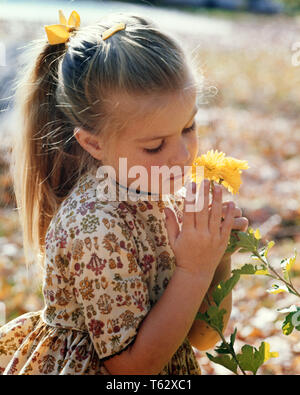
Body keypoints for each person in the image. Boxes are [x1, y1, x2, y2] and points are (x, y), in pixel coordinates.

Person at [0, 10, 248, 375]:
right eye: (154, 145)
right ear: (93, 143)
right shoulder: (94, 227)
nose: (183, 156)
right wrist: (194, 269)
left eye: (188, 127)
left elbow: (203, 337)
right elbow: (131, 369)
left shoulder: (158, 192)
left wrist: (216, 256)